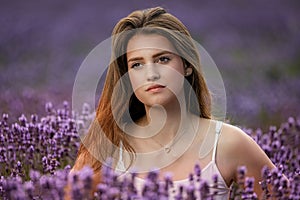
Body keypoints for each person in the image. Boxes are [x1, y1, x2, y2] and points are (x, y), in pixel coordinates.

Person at [71, 7, 276, 199]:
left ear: (187, 65)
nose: (151, 74)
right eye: (137, 64)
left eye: (163, 59)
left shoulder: (228, 143)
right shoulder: (108, 149)